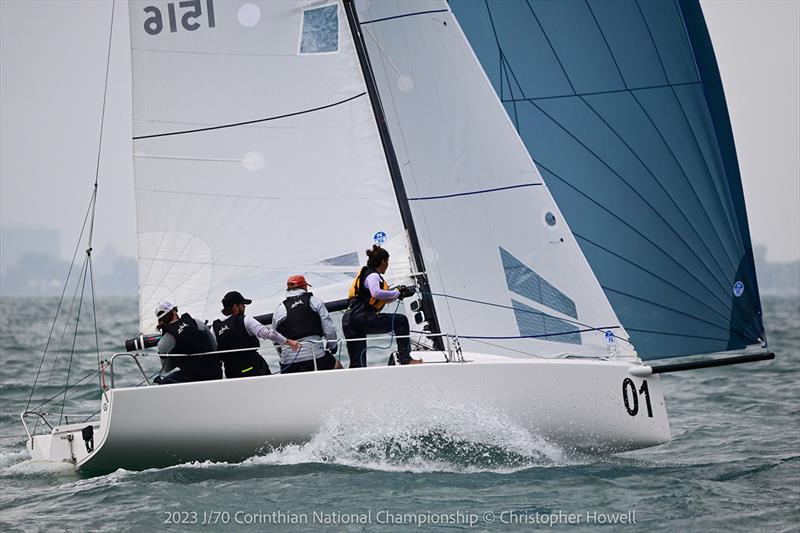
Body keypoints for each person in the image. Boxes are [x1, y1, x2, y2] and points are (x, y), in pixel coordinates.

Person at [342, 245, 420, 368]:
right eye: (387, 261)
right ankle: (405, 358)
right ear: (383, 261)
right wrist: (396, 292)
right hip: (363, 319)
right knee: (401, 321)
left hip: (350, 320)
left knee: (358, 364)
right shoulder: (373, 275)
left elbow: (379, 298)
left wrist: (400, 294)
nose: (388, 264)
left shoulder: (365, 274)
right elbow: (376, 292)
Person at [212, 291, 300, 378]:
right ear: (235, 307)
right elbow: (267, 333)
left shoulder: (214, 328)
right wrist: (289, 342)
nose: (244, 306)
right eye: (242, 304)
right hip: (252, 368)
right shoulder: (245, 320)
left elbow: (213, 351)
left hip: (231, 372)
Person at [272, 275, 341, 373]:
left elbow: (275, 338)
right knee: (338, 367)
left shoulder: (279, 309)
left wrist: (283, 355)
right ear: (304, 287)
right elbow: (329, 329)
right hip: (315, 355)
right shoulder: (315, 301)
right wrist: (332, 346)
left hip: (289, 360)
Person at [154, 301, 221, 384]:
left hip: (193, 378)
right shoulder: (196, 322)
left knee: (161, 383)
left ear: (160, 320)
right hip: (216, 373)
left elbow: (167, 369)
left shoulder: (163, 342)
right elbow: (214, 346)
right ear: (174, 311)